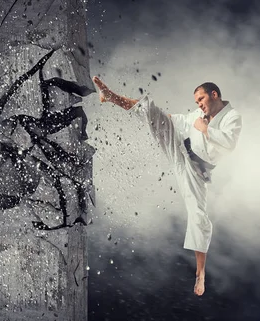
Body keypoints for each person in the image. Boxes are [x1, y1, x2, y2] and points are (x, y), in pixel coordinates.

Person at [92, 76, 242, 296]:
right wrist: (156, 117)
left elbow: (229, 144)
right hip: (180, 149)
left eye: (201, 99)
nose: (199, 104)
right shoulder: (197, 116)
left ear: (214, 94)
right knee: (151, 111)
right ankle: (111, 96)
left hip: (196, 171)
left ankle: (200, 273)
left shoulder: (232, 116)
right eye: (196, 102)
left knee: (199, 216)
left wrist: (205, 129)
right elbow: (169, 119)